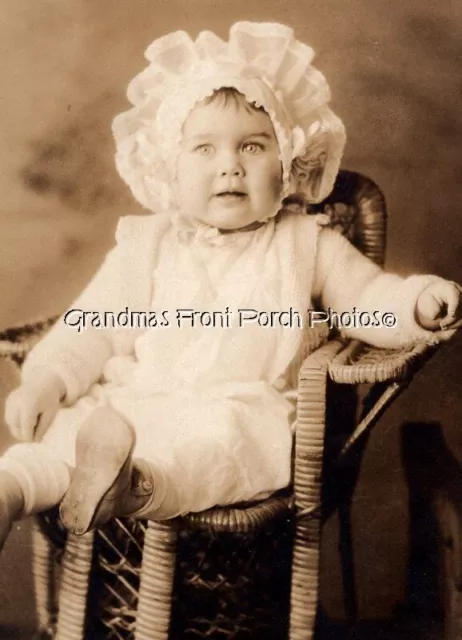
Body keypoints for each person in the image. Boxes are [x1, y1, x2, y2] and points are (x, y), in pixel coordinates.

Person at [0, 22, 460, 550]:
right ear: (169, 170)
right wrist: (47, 381)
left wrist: (418, 302)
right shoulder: (149, 243)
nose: (230, 168)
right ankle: (13, 489)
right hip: (138, 398)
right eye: (204, 149)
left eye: (252, 147)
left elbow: (368, 299)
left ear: (287, 162)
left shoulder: (307, 241)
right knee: (73, 425)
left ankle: (133, 488)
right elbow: (94, 324)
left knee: (220, 447)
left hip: (236, 406)